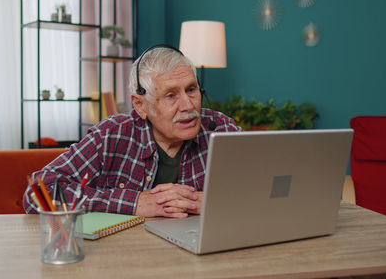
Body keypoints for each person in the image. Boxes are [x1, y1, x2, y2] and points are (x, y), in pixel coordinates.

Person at [22, 45, 241, 218]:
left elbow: (268, 190)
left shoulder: (220, 129)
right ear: (140, 105)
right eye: (171, 95)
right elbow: (37, 193)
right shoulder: (111, 135)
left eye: (191, 90)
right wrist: (133, 202)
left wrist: (216, 201)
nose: (188, 105)